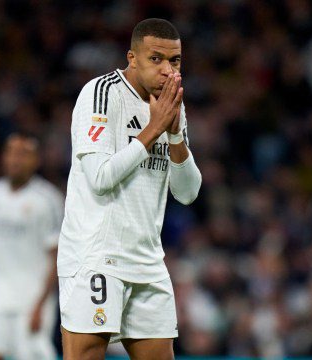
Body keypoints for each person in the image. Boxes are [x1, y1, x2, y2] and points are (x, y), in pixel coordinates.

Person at [57, 18, 202, 360]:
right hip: (97, 257)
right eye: (156, 59)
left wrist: (176, 134)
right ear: (132, 58)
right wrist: (154, 128)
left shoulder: (170, 106)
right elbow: (101, 177)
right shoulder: (101, 93)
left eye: (175, 61)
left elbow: (187, 192)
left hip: (147, 261)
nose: (167, 70)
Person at [0, 133, 65, 360]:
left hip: (30, 302)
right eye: (11, 152)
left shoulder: (48, 200)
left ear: (36, 160)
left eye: (23, 154)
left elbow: (57, 257)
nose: (16, 160)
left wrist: (41, 304)